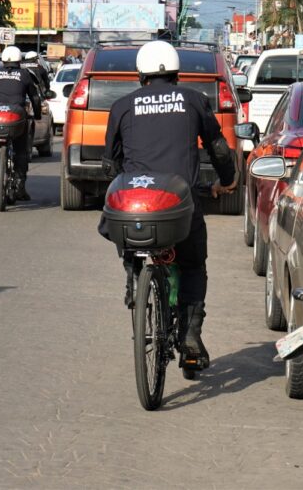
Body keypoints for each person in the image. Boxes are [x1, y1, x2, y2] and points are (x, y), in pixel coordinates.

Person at [100, 41, 237, 371]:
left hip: (136, 206)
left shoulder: (122, 106)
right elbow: (217, 147)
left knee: (131, 239)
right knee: (192, 264)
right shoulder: (193, 100)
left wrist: (127, 183)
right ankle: (190, 334)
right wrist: (227, 179)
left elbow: (110, 163)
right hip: (180, 203)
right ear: (176, 74)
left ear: (141, 75)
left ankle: (134, 276)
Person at [0, 46, 41, 201]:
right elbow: (34, 98)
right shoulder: (25, 75)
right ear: (19, 61)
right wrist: (38, 114)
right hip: (16, 116)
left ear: (3, 61)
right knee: (21, 150)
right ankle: (20, 187)